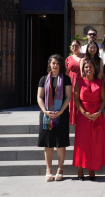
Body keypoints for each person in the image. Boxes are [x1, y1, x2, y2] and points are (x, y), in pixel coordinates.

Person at [37, 54, 72, 182]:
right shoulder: (43, 79)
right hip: (46, 115)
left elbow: (68, 96)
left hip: (61, 115)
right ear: (50, 64)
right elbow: (40, 97)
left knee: (61, 142)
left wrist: (61, 111)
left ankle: (60, 169)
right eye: (53, 63)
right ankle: (49, 169)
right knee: (48, 143)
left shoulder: (66, 79)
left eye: (57, 63)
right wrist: (45, 111)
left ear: (61, 65)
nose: (55, 65)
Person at [73, 59, 105, 181]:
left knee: (94, 143)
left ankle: (91, 169)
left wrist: (99, 112)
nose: (88, 69)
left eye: (90, 67)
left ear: (94, 69)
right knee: (82, 143)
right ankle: (80, 169)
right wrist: (84, 112)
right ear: (84, 69)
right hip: (83, 114)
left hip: (97, 114)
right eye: (86, 67)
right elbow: (76, 99)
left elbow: (103, 100)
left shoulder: (100, 82)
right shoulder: (79, 81)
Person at [65, 40, 84, 125]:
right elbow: (66, 72)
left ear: (80, 46)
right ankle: (72, 120)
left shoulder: (84, 56)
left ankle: (81, 118)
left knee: (81, 98)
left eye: (76, 45)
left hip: (82, 80)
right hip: (71, 81)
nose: (74, 47)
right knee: (72, 99)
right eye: (73, 46)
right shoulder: (68, 58)